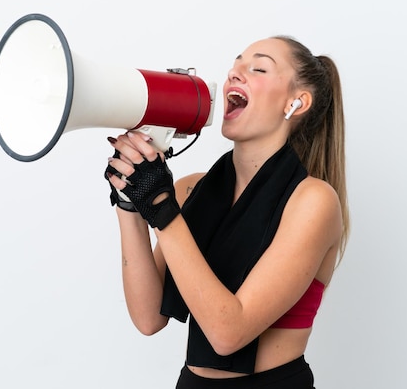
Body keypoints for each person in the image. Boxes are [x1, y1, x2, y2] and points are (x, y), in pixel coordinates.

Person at [104, 35, 349, 389]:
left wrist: (160, 209)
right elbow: (147, 317)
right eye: (236, 63)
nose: (236, 72)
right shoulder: (190, 189)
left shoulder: (312, 201)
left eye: (259, 67)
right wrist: (128, 197)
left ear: (297, 102)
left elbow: (228, 333)